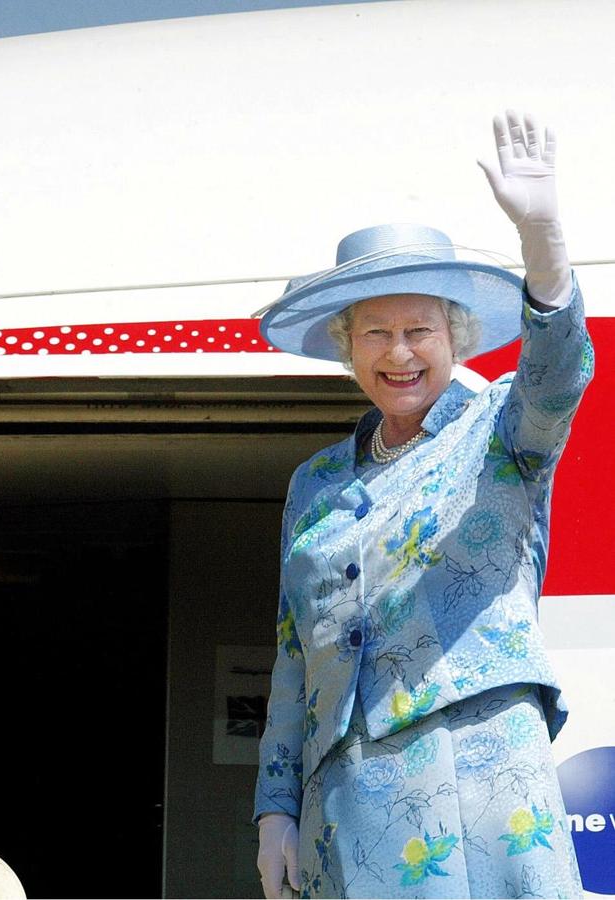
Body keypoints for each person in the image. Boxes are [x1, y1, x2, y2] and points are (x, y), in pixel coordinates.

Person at [253, 112, 591, 899]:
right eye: (375, 332)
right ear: (347, 346)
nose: (398, 353)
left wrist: (544, 245)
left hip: (481, 780)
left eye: (418, 329)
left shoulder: (501, 429)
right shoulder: (315, 483)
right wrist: (274, 808)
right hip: (348, 796)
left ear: (455, 335)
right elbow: (294, 654)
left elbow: (560, 376)